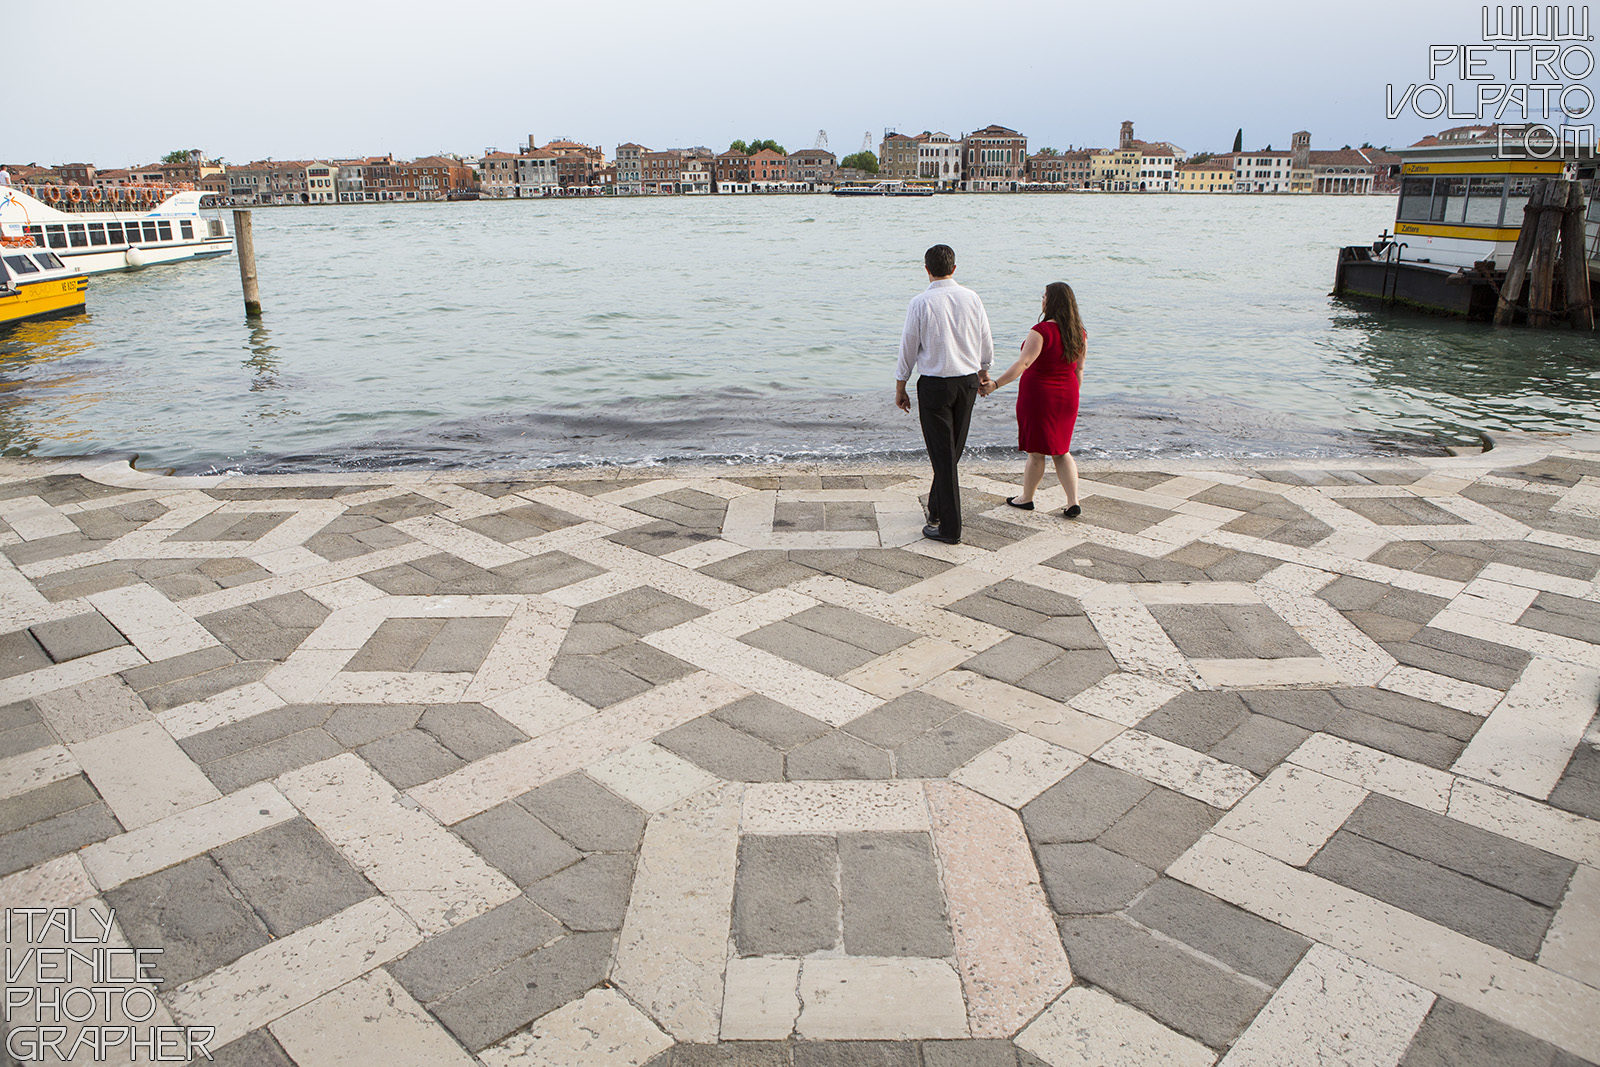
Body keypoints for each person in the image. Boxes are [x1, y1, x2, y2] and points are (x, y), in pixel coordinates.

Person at [895, 244, 994, 544]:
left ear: (926, 270)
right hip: (966, 383)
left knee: (944, 456)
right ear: (954, 269)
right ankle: (936, 509)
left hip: (935, 385)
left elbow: (908, 347)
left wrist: (901, 385)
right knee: (951, 453)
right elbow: (984, 337)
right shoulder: (971, 298)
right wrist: (984, 371)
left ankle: (950, 529)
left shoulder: (920, 303)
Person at [980, 281, 1086, 518]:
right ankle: (1073, 502)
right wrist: (1073, 395)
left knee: (1037, 452)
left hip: (1040, 396)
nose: (1042, 299)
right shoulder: (1079, 332)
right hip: (1068, 395)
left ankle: (1027, 498)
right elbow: (1079, 369)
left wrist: (995, 384)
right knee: (1062, 450)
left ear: (1051, 301)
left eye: (1044, 296)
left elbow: (1024, 363)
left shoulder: (1041, 331)